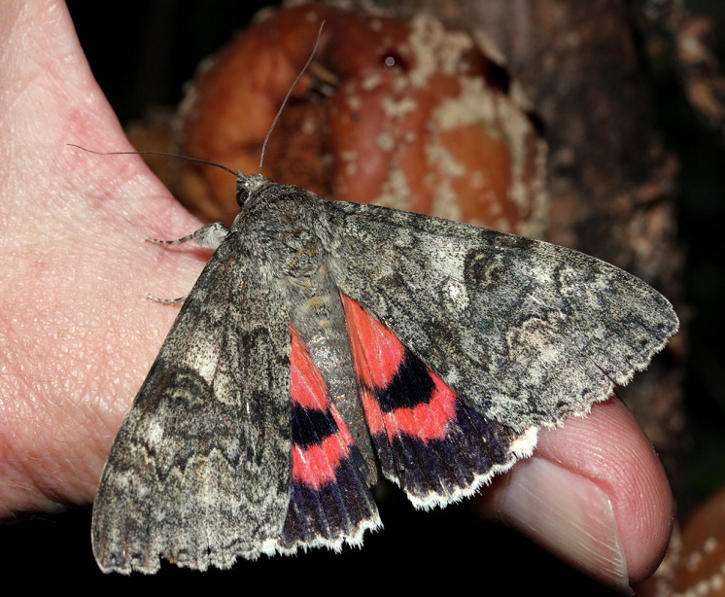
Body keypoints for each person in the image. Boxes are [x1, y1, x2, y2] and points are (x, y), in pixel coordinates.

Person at [0, 1, 673, 592]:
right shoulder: (352, 225)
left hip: (305, 370)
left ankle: (326, 455)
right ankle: (408, 421)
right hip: (381, 350)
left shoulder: (228, 257)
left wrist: (175, 254)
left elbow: (204, 241)